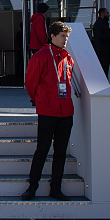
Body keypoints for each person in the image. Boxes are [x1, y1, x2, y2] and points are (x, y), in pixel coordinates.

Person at [21, 22, 75, 201]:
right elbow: (30, 82)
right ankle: (32, 187)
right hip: (47, 111)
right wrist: (41, 101)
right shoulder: (41, 56)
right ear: (53, 36)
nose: (65, 40)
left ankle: (56, 188)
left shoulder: (67, 58)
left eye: (67, 36)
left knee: (61, 152)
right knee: (42, 150)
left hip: (66, 111)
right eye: (62, 36)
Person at [92, 8, 110, 76]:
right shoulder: (99, 24)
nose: (108, 15)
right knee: (104, 68)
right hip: (102, 50)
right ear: (102, 14)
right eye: (107, 13)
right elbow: (99, 36)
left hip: (104, 50)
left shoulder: (102, 23)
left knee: (105, 68)